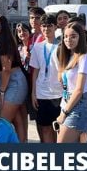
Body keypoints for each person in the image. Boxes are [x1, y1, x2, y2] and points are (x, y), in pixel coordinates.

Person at [36, 21, 87, 171]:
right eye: (66, 36)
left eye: (73, 36)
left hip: (75, 112)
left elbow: (78, 90)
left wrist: (64, 114)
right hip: (72, 110)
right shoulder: (71, 58)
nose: (69, 40)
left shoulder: (84, 58)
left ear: (81, 38)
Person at [0, 15, 28, 142]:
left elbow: (6, 69)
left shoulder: (5, 42)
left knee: (1, 121)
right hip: (3, 81)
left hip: (13, 82)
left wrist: (1, 92)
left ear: (3, 28)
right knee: (16, 119)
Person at [30, 14, 62, 145]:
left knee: (59, 128)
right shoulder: (37, 47)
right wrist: (33, 93)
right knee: (45, 128)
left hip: (59, 93)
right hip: (42, 93)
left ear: (55, 27)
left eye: (49, 26)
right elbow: (35, 71)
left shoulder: (62, 46)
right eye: (43, 26)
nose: (46, 29)